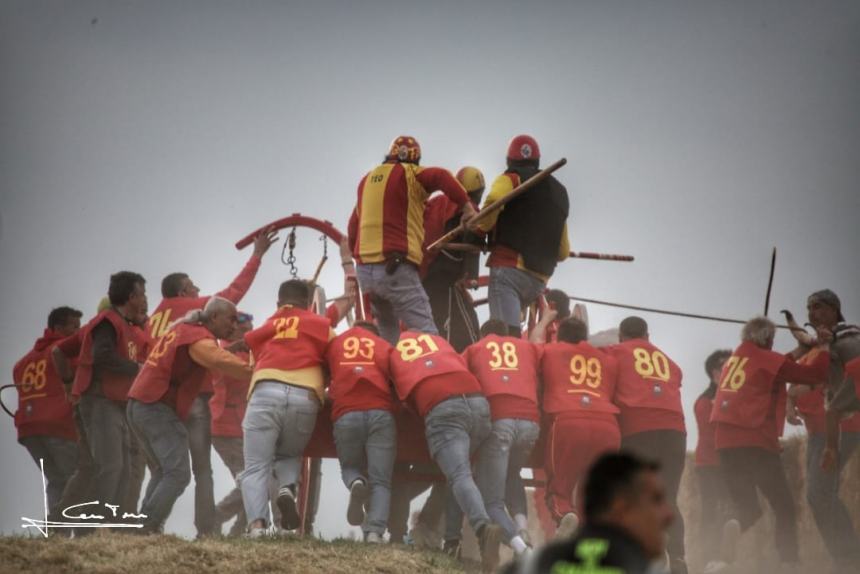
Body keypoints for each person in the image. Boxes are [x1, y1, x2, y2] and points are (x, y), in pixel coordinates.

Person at [146, 229, 276, 536]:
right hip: (192, 404)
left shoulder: (153, 319)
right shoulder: (187, 313)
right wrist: (257, 255)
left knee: (164, 470)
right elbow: (231, 294)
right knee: (202, 472)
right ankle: (206, 527)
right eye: (193, 287)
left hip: (152, 401)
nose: (199, 291)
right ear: (180, 293)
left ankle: (150, 526)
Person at [711, 316, 831, 567]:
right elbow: (814, 374)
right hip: (755, 442)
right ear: (767, 339)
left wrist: (802, 349)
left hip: (724, 443)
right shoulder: (766, 360)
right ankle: (789, 563)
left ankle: (721, 558)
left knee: (748, 509)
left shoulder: (737, 358)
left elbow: (777, 364)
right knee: (784, 506)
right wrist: (823, 347)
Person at [127, 297, 252, 533]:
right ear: (214, 316)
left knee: (163, 471)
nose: (234, 326)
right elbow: (215, 358)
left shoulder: (185, 330)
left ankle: (144, 527)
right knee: (178, 473)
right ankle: (146, 528)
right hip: (155, 406)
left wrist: (230, 348)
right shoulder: (198, 337)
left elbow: (209, 354)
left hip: (139, 404)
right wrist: (254, 372)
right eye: (231, 319)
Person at [388, 329, 502, 571]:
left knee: (458, 475)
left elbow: (397, 400)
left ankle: (483, 529)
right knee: (458, 476)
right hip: (479, 404)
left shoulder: (392, 351)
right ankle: (452, 541)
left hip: (441, 406)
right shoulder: (441, 342)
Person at [347, 135, 477, 344]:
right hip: (395, 268)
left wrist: (359, 264)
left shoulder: (366, 182)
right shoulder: (411, 174)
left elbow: (353, 228)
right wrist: (467, 207)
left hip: (366, 275)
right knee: (428, 335)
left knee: (388, 333)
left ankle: (390, 375)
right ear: (414, 162)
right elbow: (442, 176)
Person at [240, 279, 333, 536]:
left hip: (265, 391)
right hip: (305, 396)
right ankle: (287, 488)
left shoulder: (265, 326)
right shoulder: (321, 326)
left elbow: (252, 361)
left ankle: (257, 527)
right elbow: (335, 358)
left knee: (256, 466)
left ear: (279, 303)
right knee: (290, 454)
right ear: (307, 303)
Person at [605, 316, 687, 574]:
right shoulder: (670, 363)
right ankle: (679, 559)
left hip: (638, 429)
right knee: (668, 497)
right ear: (648, 336)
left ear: (621, 336)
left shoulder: (614, 352)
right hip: (675, 432)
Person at [786, 290, 860, 571]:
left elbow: (852, 377)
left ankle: (848, 558)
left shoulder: (849, 337)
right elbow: (810, 380)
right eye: (808, 308)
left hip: (844, 427)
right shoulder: (821, 345)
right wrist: (791, 398)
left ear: (833, 310)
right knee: (819, 495)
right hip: (821, 430)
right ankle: (846, 556)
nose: (811, 313)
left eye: (818, 307)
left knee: (819, 494)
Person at [471, 135, 569, 336]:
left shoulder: (511, 178)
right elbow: (563, 252)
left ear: (509, 161)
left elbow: (495, 198)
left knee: (505, 336)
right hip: (538, 281)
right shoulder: (560, 192)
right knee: (513, 334)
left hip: (509, 271)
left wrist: (481, 228)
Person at [70, 271, 149, 520]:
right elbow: (101, 355)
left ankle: (109, 526)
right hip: (100, 400)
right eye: (142, 293)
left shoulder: (124, 324)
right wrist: (135, 368)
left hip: (116, 402)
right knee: (111, 465)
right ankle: (95, 526)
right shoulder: (108, 321)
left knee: (124, 468)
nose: (145, 298)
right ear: (131, 296)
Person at [513, 452, 674, 574]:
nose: (669, 514)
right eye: (656, 500)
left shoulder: (529, 566)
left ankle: (562, 538)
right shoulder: (643, 569)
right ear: (621, 509)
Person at [460, 318, 541, 557]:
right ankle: (523, 528)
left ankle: (521, 549)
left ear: (483, 335)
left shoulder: (475, 349)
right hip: (530, 422)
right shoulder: (527, 347)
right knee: (511, 475)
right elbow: (541, 347)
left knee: (490, 501)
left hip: (499, 420)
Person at [539, 317, 621, 540]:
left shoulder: (550, 351)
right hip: (608, 425)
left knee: (559, 489)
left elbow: (532, 345)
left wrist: (545, 317)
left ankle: (565, 516)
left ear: (560, 337)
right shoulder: (607, 358)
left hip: (568, 419)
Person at [325, 320, 396, 543]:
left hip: (346, 412)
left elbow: (324, 376)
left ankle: (356, 482)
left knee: (350, 466)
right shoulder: (384, 346)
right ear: (374, 334)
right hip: (380, 413)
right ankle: (374, 533)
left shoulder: (335, 344)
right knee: (381, 480)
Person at [12, 306, 82, 520]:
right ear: (58, 327)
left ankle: (57, 534)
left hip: (29, 430)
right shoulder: (65, 351)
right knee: (77, 479)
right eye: (74, 326)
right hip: (58, 426)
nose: (78, 332)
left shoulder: (22, 363)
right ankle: (63, 526)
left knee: (56, 480)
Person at [420, 166, 485, 352]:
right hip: (440, 275)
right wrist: (472, 275)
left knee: (444, 322)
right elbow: (474, 242)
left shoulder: (435, 202)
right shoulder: (467, 208)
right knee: (455, 328)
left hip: (423, 271)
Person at [210, 311, 257, 536]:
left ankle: (238, 533)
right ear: (233, 329)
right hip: (225, 428)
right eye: (245, 328)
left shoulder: (245, 353)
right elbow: (244, 374)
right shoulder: (222, 353)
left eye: (251, 328)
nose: (249, 332)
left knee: (255, 481)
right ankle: (215, 517)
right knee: (253, 481)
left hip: (242, 427)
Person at [692, 349, 733, 567]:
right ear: (715, 373)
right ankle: (709, 559)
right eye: (727, 367)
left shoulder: (735, 398)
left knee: (732, 512)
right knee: (712, 511)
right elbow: (712, 436)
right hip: (710, 465)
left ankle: (724, 558)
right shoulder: (705, 402)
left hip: (732, 465)